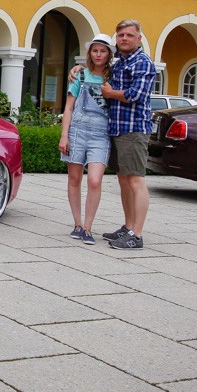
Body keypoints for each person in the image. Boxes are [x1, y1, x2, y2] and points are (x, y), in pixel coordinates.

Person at [100, 19, 157, 250]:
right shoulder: (120, 62)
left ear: (139, 38)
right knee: (124, 179)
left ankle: (137, 234)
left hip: (134, 129)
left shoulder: (142, 62)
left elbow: (136, 95)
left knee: (135, 180)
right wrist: (78, 70)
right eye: (121, 35)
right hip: (118, 129)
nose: (124, 39)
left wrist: (111, 93)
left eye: (129, 35)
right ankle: (128, 226)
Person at [60, 34, 115, 246]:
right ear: (90, 53)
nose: (98, 54)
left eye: (103, 51)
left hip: (101, 134)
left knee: (94, 180)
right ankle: (77, 224)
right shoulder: (80, 76)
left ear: (109, 54)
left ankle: (88, 227)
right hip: (77, 131)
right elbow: (68, 108)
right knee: (74, 179)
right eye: (95, 50)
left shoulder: (113, 77)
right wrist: (64, 135)